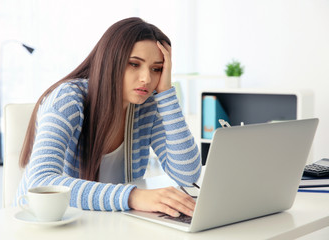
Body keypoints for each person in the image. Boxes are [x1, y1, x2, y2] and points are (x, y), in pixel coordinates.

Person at [16, 17, 201, 218]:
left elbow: (188, 174)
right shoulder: (68, 100)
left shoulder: (147, 106)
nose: (146, 79)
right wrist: (133, 197)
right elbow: (40, 183)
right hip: (47, 220)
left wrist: (166, 93)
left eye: (156, 69)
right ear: (110, 61)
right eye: (134, 64)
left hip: (106, 219)